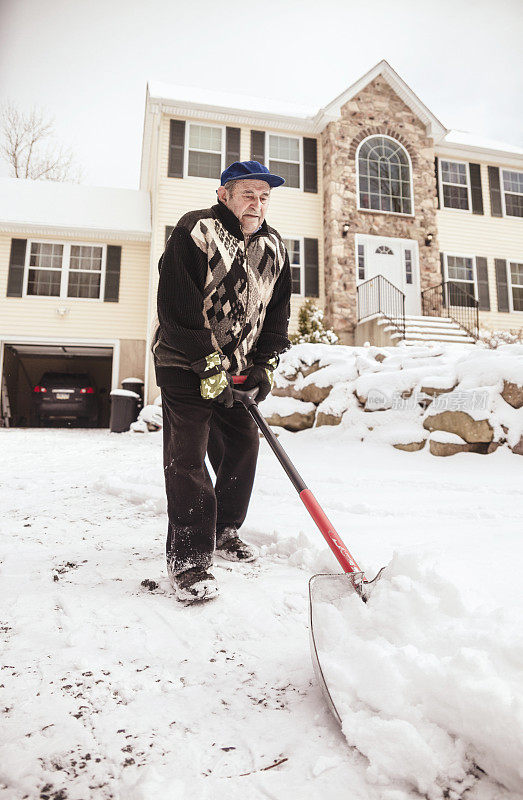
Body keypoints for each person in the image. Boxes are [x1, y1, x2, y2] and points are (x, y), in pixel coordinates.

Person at [151, 160, 291, 603]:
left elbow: (278, 313)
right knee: (188, 456)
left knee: (241, 446)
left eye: (264, 197)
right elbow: (176, 306)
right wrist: (206, 362)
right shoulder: (197, 230)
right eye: (249, 193)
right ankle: (189, 560)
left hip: (234, 369)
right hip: (182, 362)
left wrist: (264, 363)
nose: (257, 203)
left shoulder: (274, 246)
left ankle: (224, 529)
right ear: (224, 193)